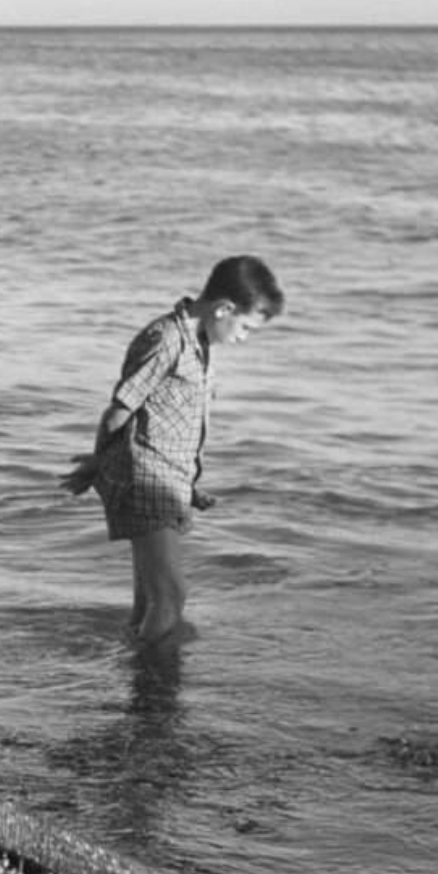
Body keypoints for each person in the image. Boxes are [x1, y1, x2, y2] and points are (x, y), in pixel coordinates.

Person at [60, 255, 283, 645]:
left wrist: (189, 488)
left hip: (165, 479)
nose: (243, 338)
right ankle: (153, 683)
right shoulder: (165, 340)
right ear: (224, 308)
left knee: (150, 599)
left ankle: (137, 676)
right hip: (146, 479)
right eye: (246, 327)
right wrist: (100, 463)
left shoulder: (198, 344)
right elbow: (118, 411)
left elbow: (168, 422)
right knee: (170, 596)